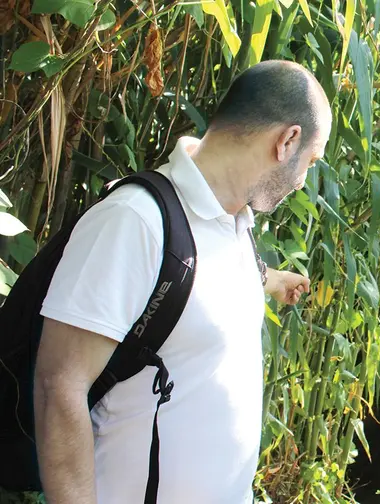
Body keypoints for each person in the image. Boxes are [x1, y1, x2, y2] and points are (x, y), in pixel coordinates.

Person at [32, 60, 332, 504]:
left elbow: (199, 290)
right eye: (311, 160)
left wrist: (270, 280)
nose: (305, 179)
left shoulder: (236, 225)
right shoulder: (135, 221)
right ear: (287, 141)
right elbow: (58, 386)